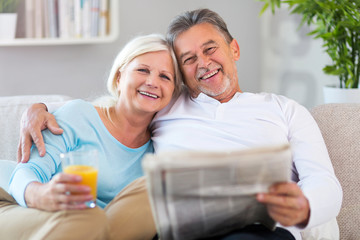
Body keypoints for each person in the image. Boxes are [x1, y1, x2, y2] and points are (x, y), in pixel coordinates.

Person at [16, 9, 342, 240]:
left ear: (234, 49)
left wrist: (304, 207)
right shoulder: (168, 103)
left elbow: (322, 179)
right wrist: (38, 108)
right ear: (182, 73)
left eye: (210, 49)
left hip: (257, 229)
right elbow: (112, 107)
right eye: (188, 59)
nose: (203, 63)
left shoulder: (286, 110)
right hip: (179, 229)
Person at [0, 34, 182, 240]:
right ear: (119, 77)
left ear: (174, 92)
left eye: (165, 77)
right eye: (143, 70)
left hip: (86, 227)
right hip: (14, 202)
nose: (152, 82)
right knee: (88, 218)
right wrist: (43, 195)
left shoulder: (161, 147)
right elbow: (27, 170)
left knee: (97, 216)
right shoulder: (80, 115)